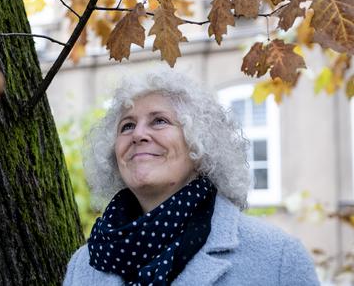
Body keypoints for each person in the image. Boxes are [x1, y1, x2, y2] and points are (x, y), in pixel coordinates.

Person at [63, 69, 319, 285]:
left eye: (159, 121)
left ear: (200, 144)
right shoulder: (83, 267)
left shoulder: (277, 257)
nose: (138, 134)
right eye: (127, 125)